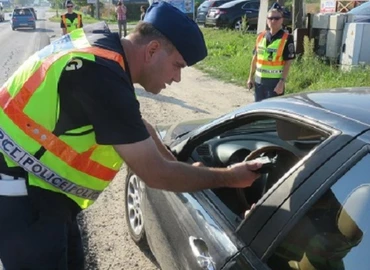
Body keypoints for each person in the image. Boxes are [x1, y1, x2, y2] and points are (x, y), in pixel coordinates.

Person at [0, 2, 262, 269]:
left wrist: (177, 162)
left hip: (38, 188)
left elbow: (134, 122)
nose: (177, 78)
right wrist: (231, 177)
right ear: (152, 50)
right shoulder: (102, 74)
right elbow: (155, 174)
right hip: (22, 191)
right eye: (177, 65)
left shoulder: (103, 47)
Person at [246, 2, 295, 102]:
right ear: (267, 20)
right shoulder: (261, 36)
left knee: (272, 112)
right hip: (259, 82)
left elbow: (288, 63)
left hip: (274, 83)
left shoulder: (287, 38)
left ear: (282, 20)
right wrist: (250, 77)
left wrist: (281, 82)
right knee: (259, 111)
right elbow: (255, 58)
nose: (273, 21)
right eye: (270, 18)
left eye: (276, 18)